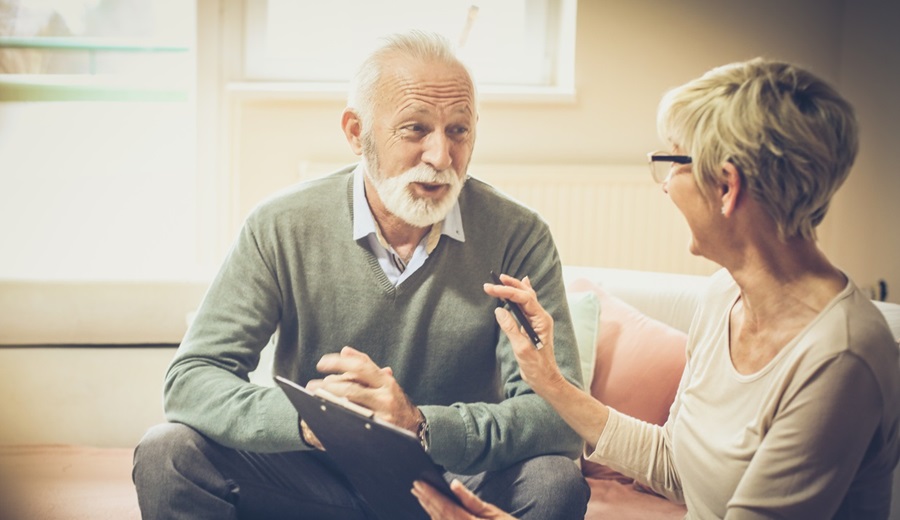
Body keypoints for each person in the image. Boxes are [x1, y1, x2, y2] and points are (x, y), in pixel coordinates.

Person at [413, 58, 900, 519]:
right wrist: (551, 383)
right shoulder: (723, 297)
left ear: (727, 187)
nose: (666, 185)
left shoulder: (841, 358)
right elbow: (675, 465)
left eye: (675, 162)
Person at [131, 30, 590, 519]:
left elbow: (560, 418)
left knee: (554, 481)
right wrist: (314, 422)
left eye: (458, 131)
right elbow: (191, 380)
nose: (441, 156)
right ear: (356, 132)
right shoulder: (281, 225)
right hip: (314, 480)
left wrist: (420, 425)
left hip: (453, 491)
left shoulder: (517, 234)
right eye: (415, 130)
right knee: (167, 454)